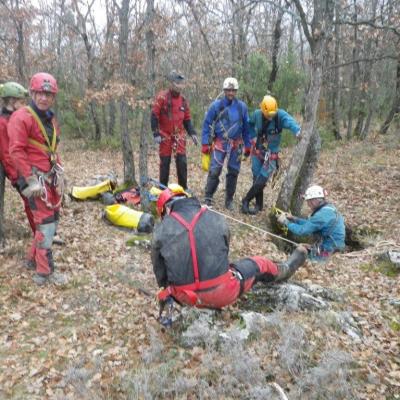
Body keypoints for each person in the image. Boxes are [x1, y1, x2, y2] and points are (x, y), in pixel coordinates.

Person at [151, 188, 307, 318]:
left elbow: (161, 278)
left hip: (184, 296)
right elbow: (224, 249)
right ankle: (286, 268)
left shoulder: (160, 230)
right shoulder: (215, 218)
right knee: (260, 263)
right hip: (222, 292)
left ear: (167, 209)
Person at [8, 72, 66, 285]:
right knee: (46, 224)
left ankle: (33, 258)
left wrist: (60, 170)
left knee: (52, 221)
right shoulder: (21, 117)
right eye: (40, 93)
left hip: (49, 177)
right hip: (34, 179)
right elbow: (16, 151)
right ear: (32, 93)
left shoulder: (50, 118)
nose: (44, 98)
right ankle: (44, 272)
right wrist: (30, 179)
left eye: (48, 95)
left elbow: (51, 148)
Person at [241, 95, 301, 215]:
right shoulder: (257, 114)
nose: (270, 116)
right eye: (268, 114)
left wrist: (297, 131)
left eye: (272, 114)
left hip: (272, 153)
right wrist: (252, 137)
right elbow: (248, 124)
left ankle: (246, 200)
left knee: (262, 179)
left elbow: (289, 121)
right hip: (257, 150)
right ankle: (259, 204)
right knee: (256, 176)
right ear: (263, 110)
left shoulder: (280, 115)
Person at [201, 77, 251, 210]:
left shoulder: (242, 107)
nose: (230, 93)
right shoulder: (216, 106)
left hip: (236, 144)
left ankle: (229, 200)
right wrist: (205, 143)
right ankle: (208, 196)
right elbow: (206, 124)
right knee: (215, 170)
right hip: (220, 143)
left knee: (234, 172)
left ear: (236, 91)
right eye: (228, 90)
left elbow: (246, 128)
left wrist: (248, 145)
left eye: (233, 90)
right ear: (224, 90)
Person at [151, 70, 198, 190]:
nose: (180, 86)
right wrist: (155, 132)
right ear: (171, 83)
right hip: (164, 135)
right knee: (165, 163)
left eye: (181, 83)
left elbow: (187, 119)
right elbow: (154, 115)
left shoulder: (183, 100)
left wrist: (192, 133)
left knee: (182, 162)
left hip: (179, 136)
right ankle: (162, 189)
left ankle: (183, 189)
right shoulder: (162, 97)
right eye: (177, 83)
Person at [0, 82, 36, 232]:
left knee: (34, 200)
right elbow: (6, 153)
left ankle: (41, 231)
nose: (24, 105)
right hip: (14, 170)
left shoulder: (17, 118)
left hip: (23, 167)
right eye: (21, 102)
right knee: (31, 199)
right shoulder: (2, 122)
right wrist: (17, 176)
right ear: (11, 102)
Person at [277, 185, 345, 261]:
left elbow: (302, 231)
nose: (308, 204)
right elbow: (311, 224)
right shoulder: (328, 209)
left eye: (309, 201)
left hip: (329, 250)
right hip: (333, 245)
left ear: (315, 200)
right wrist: (294, 218)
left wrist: (286, 222)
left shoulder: (321, 216)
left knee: (306, 262)